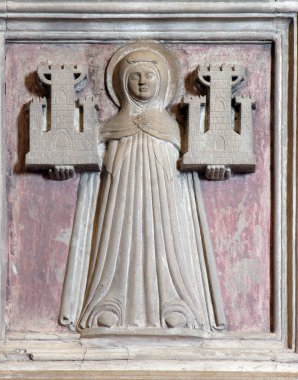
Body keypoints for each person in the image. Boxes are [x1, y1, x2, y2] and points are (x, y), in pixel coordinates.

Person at [59, 42, 226, 334]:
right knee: (116, 244)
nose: (142, 81)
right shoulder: (111, 127)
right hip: (119, 200)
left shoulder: (171, 127)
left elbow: (201, 154)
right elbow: (86, 158)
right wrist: (66, 163)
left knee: (168, 246)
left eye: (149, 75)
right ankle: (109, 302)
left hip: (163, 201)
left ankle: (174, 303)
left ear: (161, 82)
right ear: (122, 85)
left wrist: (217, 165)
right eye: (135, 76)